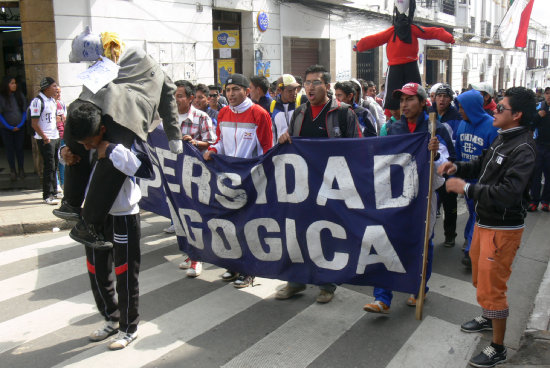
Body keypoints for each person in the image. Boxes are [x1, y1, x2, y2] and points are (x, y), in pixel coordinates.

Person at [52, 27, 183, 248]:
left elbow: (168, 96)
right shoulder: (111, 64)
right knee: (87, 147)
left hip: (120, 118)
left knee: (108, 160)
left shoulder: (135, 65)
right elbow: (169, 99)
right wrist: (64, 151)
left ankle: (74, 206)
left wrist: (174, 136)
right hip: (119, 114)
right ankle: (78, 213)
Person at [439, 87, 537, 368]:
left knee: (494, 287)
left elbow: (509, 192)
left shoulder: (524, 148)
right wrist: (455, 167)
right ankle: (487, 317)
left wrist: (466, 188)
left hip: (503, 228)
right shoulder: (503, 138)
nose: (494, 110)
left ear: (516, 115)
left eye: (500, 108)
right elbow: (482, 164)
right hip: (484, 222)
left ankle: (498, 347)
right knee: (481, 279)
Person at [63, 101, 152, 351]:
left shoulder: (122, 138)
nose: (87, 146)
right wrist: (65, 153)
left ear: (102, 129)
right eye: (82, 143)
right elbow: (76, 160)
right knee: (96, 271)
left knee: (124, 273)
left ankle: (128, 328)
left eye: (90, 141)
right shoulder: (83, 139)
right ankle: (111, 319)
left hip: (123, 215)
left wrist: (112, 150)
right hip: (93, 216)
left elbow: (147, 169)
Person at [363, 82, 454, 313]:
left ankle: (418, 288)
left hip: (425, 196)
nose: (404, 104)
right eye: (401, 100)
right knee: (386, 240)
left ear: (423, 102)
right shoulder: (393, 129)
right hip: (396, 195)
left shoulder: (438, 129)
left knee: (423, 242)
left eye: (410, 99)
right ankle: (382, 297)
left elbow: (449, 166)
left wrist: (435, 155)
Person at [276, 65, 363, 304]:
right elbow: (292, 145)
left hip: (332, 187)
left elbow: (358, 148)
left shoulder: (344, 113)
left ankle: (327, 284)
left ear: (327, 86)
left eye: (316, 82)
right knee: (297, 232)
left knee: (326, 234)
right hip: (302, 186)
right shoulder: (300, 113)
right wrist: (284, 139)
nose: (310, 87)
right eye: (307, 83)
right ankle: (295, 281)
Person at [204, 73, 273, 288]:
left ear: (247, 91)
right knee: (230, 224)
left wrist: (257, 177)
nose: (231, 94)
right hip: (228, 179)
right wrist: (213, 149)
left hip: (251, 180)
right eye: (228, 90)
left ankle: (250, 270)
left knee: (248, 226)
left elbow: (266, 150)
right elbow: (220, 141)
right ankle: (233, 266)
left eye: (236, 89)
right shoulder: (223, 113)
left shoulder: (259, 114)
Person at [354, 0, 455, 111]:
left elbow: (375, 39)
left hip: (403, 65)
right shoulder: (406, 30)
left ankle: (418, 109)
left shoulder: (397, 31)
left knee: (413, 91)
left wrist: (359, 46)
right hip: (402, 65)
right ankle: (396, 113)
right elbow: (432, 32)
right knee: (402, 94)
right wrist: (449, 38)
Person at [169, 80, 216, 278]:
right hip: (173, 175)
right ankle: (191, 253)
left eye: (179, 96)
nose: (175, 100)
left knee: (197, 216)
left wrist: (195, 143)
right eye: (173, 96)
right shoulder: (166, 118)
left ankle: (198, 258)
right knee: (182, 217)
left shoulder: (201, 117)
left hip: (196, 176)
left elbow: (213, 143)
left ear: (190, 98)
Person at [454, 89, 499, 268]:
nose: (460, 111)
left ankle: (471, 251)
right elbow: (458, 149)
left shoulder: (492, 126)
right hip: (467, 178)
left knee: (478, 214)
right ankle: (469, 239)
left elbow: (494, 157)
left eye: (462, 107)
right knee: (473, 213)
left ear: (472, 107)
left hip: (483, 181)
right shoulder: (462, 124)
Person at [430, 84, 462, 246]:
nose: (441, 99)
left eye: (445, 96)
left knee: (450, 203)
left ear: (450, 99)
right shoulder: (428, 114)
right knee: (431, 204)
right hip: (431, 166)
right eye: (439, 96)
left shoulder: (456, 117)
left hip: (448, 164)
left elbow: (456, 143)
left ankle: (450, 235)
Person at [31, 77, 60, 205]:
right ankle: (47, 195)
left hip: (54, 136)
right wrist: (44, 137)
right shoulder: (37, 101)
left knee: (55, 165)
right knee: (49, 166)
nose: (56, 88)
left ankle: (54, 191)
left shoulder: (52, 101)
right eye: (54, 86)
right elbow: (34, 123)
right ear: (47, 88)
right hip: (46, 138)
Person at [528, 86, 550, 212]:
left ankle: (546, 201)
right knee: (536, 174)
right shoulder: (539, 107)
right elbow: (531, 124)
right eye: (547, 93)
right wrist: (538, 116)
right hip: (539, 146)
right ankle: (534, 201)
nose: (549, 96)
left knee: (549, 175)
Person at [0, 76, 26, 181]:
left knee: (19, 149)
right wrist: (9, 127)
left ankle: (21, 169)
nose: (14, 85)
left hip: (19, 128)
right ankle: (12, 170)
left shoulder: (20, 95)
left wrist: (19, 125)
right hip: (6, 129)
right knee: (10, 149)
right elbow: (0, 115)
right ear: (6, 85)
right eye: (11, 83)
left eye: (15, 83)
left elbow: (24, 111)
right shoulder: (2, 97)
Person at [269, 74, 305, 144]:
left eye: (295, 89)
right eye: (290, 90)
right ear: (279, 90)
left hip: (299, 150)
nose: (294, 93)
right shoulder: (273, 104)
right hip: (281, 151)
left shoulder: (302, 101)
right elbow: (273, 132)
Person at [55, 86, 67, 195]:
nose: (58, 94)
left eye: (60, 92)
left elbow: (64, 118)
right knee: (54, 161)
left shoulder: (61, 104)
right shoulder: (49, 104)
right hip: (54, 135)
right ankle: (57, 184)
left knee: (62, 160)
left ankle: (63, 183)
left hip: (62, 135)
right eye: (56, 92)